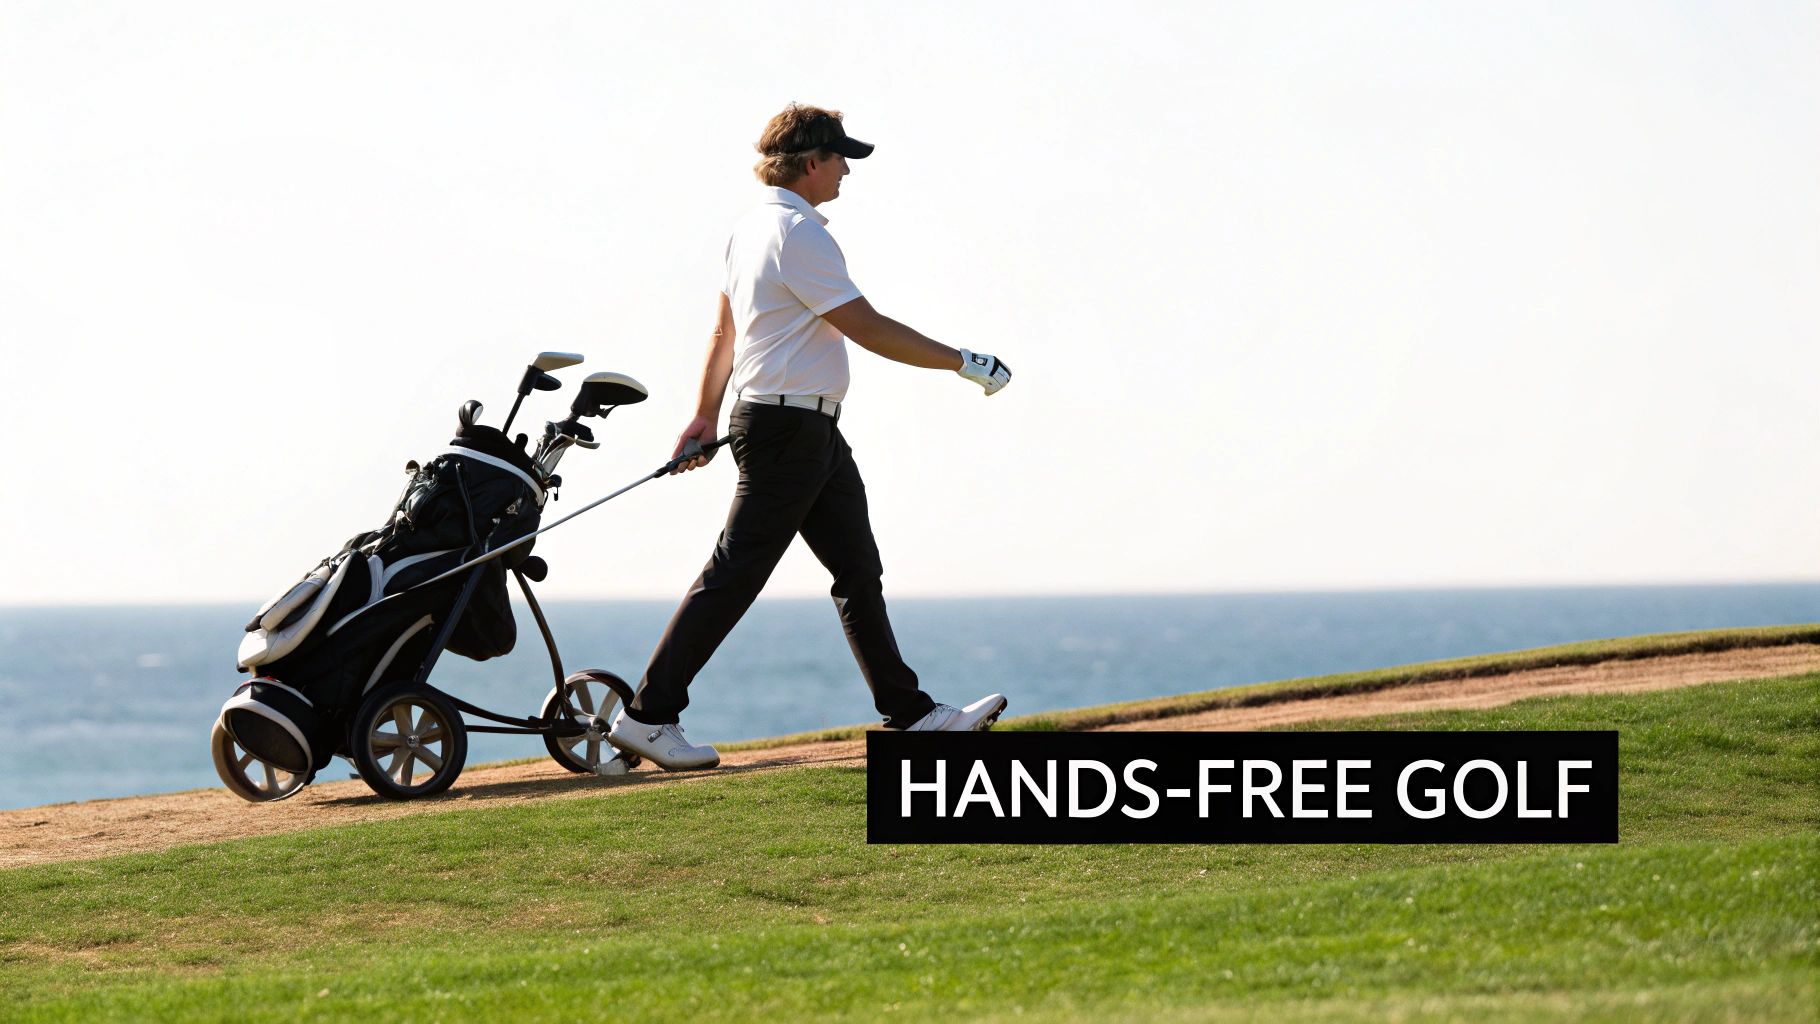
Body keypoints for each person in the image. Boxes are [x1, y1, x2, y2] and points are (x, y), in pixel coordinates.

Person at [606, 103, 1015, 771]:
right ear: (810, 162)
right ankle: (649, 715)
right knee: (737, 572)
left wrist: (706, 415)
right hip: (787, 428)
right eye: (840, 158)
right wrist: (964, 362)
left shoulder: (749, 231)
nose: (848, 170)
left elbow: (723, 333)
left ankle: (913, 715)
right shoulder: (797, 234)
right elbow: (869, 327)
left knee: (857, 570)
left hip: (805, 427)